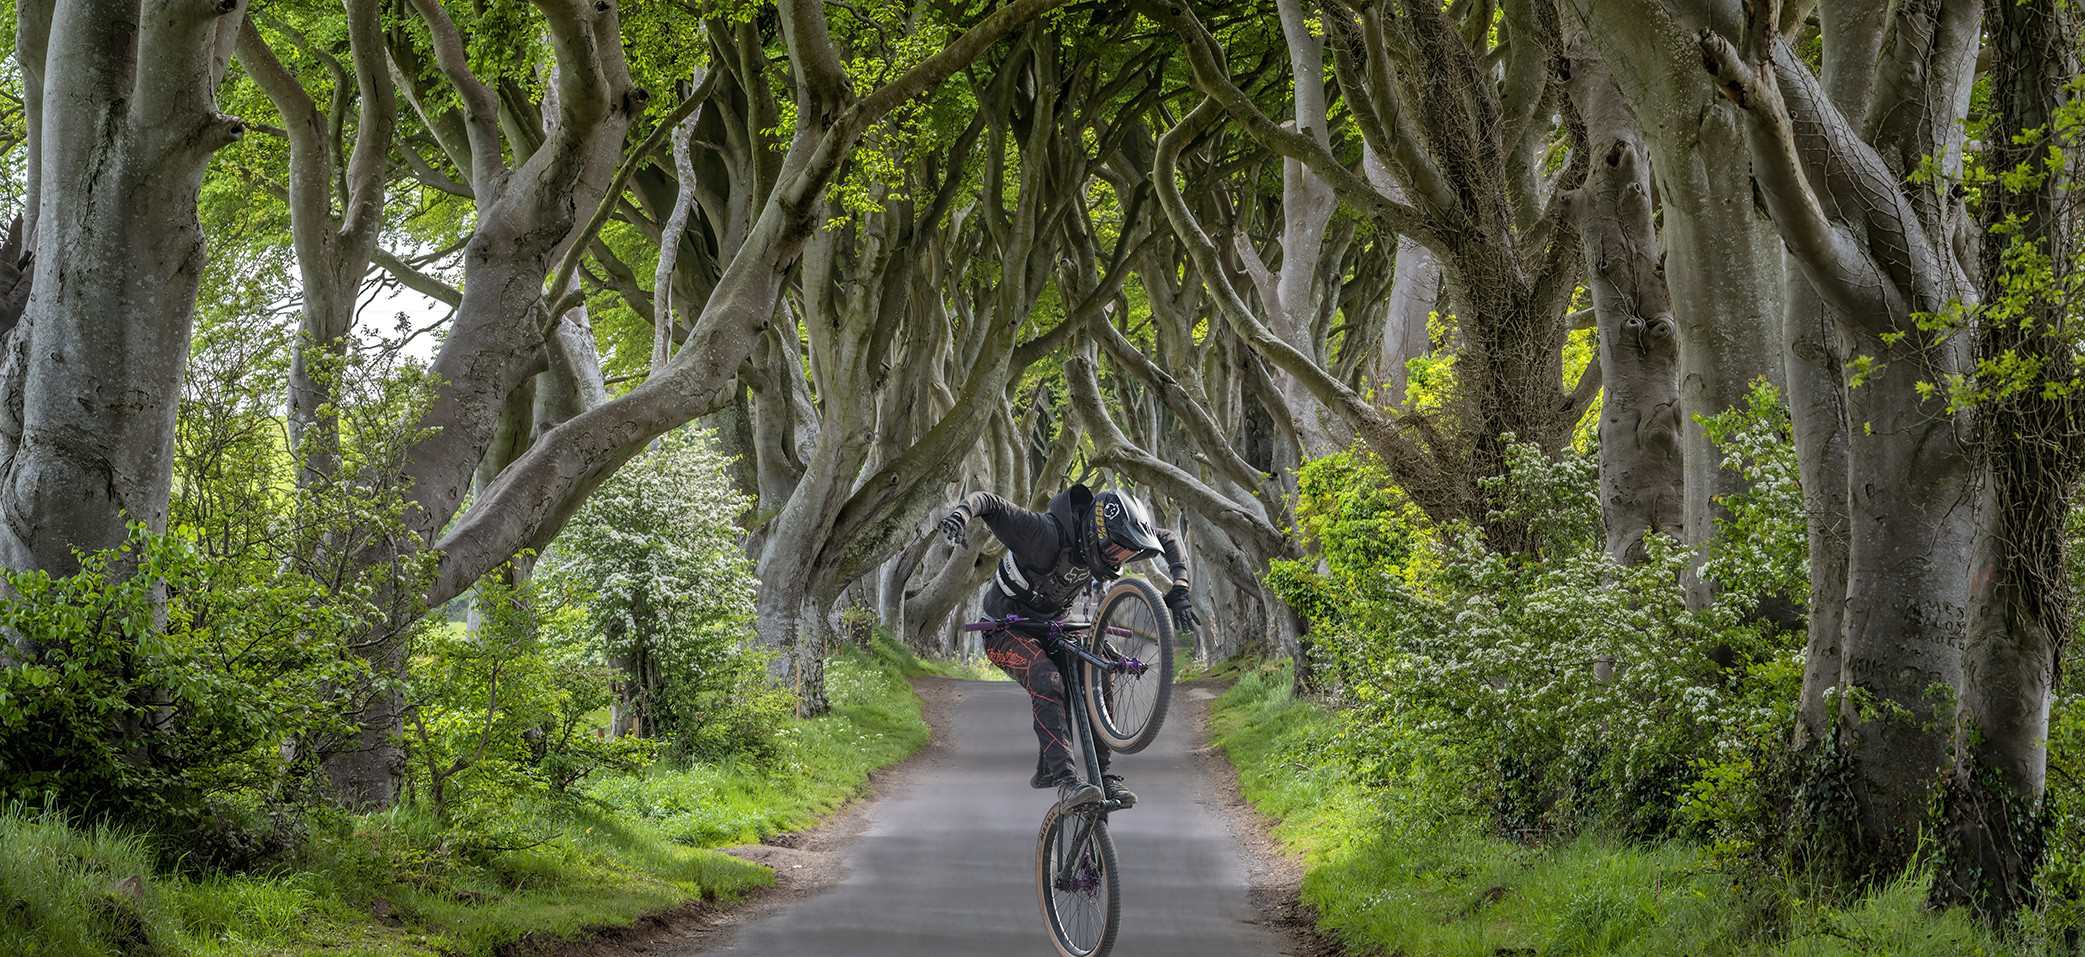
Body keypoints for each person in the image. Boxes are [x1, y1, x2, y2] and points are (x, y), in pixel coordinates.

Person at [938, 483, 1198, 812]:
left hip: (1057, 624)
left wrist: (1180, 586)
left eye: (1124, 555)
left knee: (1100, 673)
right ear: (1095, 532)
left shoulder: (1109, 536)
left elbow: (1170, 539)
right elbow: (989, 502)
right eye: (1115, 552)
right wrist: (960, 516)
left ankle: (1103, 776)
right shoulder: (1042, 534)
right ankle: (1065, 780)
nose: (1117, 560)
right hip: (1005, 628)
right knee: (1046, 678)